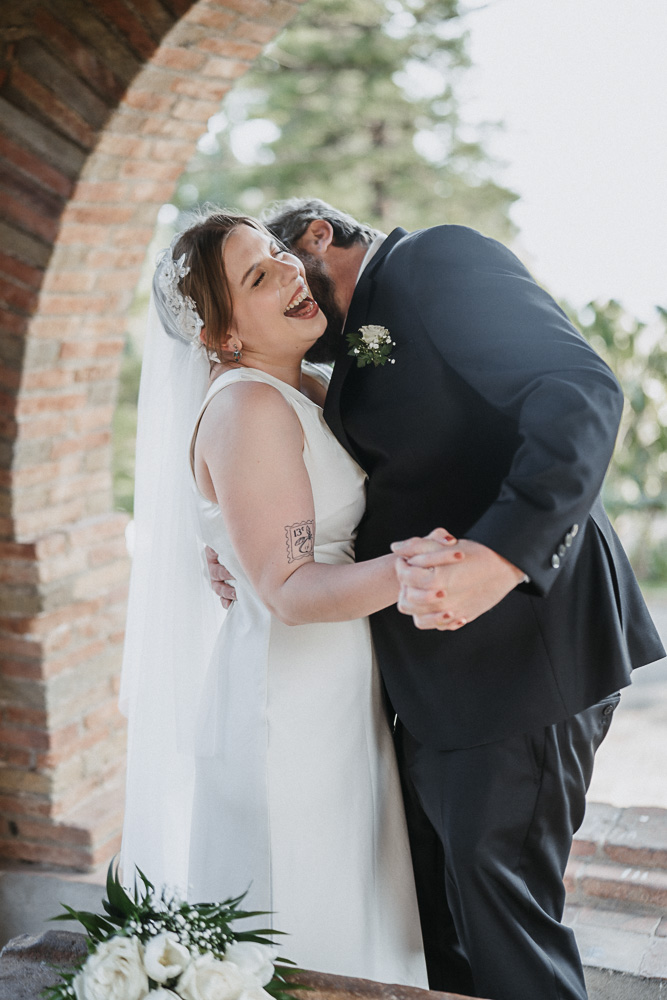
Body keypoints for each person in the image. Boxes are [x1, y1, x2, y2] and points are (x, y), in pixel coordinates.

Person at [208, 198, 666, 1000]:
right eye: (260, 280)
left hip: (519, 656)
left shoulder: (435, 262)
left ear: (318, 236)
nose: (289, 287)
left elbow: (577, 390)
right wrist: (227, 544)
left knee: (505, 925)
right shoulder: (338, 358)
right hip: (435, 686)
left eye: (283, 264)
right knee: (443, 927)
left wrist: (501, 556)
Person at [119, 211, 428, 986]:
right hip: (288, 708)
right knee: (308, 921)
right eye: (258, 277)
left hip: (333, 687)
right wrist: (416, 571)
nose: (292, 271)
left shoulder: (302, 388)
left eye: (280, 255)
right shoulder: (247, 408)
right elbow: (288, 587)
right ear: (222, 336)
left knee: (355, 912)